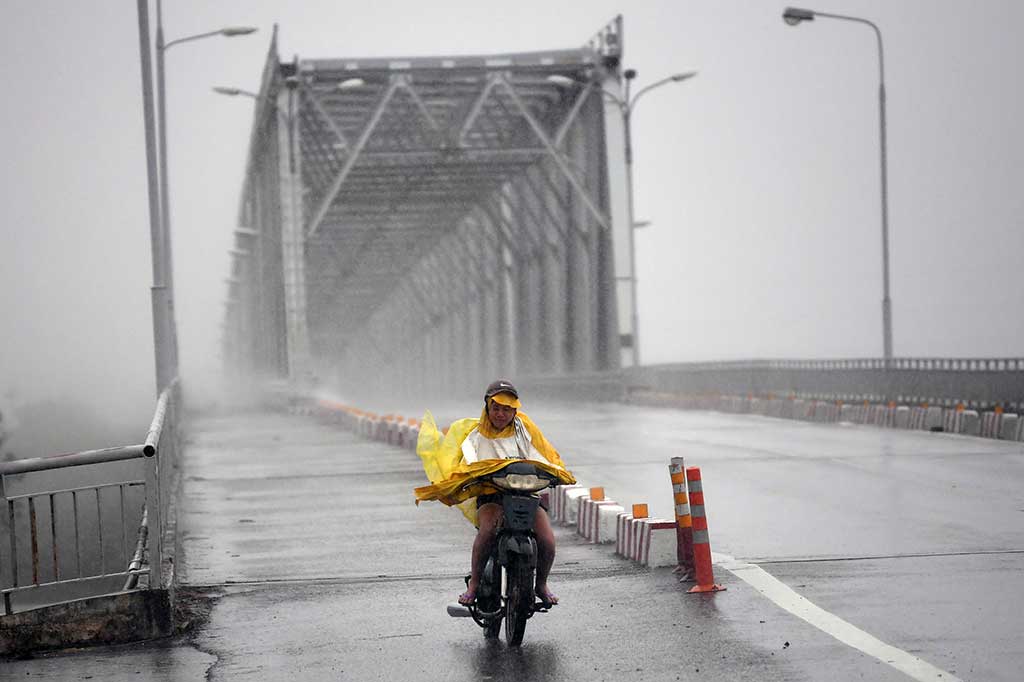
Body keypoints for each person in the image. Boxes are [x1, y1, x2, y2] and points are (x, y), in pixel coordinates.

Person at [413, 379, 575, 608]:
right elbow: (464, 463)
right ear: (487, 407)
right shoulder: (474, 434)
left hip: (526, 495)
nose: (501, 414)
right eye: (496, 408)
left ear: (515, 410)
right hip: (491, 496)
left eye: (507, 409)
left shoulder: (525, 429)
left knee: (547, 540)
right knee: (488, 531)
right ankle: (475, 584)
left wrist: (559, 473)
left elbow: (546, 454)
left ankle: (541, 584)